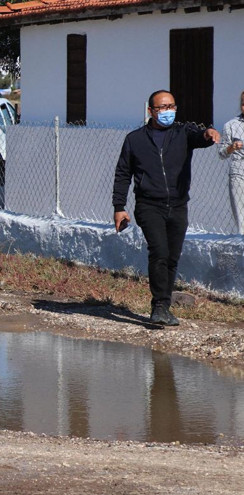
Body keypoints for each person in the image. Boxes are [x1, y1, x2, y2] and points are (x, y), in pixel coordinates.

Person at [113, 90, 219, 326]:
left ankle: (164, 306)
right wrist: (119, 206)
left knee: (172, 257)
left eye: (171, 106)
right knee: (159, 252)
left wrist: (208, 134)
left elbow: (200, 137)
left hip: (179, 205)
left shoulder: (183, 133)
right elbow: (122, 174)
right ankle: (159, 306)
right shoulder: (135, 140)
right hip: (149, 205)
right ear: (150, 111)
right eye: (162, 108)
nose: (167, 111)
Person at [218, 91, 244, 234]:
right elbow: (221, 154)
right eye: (243, 104)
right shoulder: (231, 125)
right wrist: (231, 148)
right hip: (239, 172)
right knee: (242, 219)